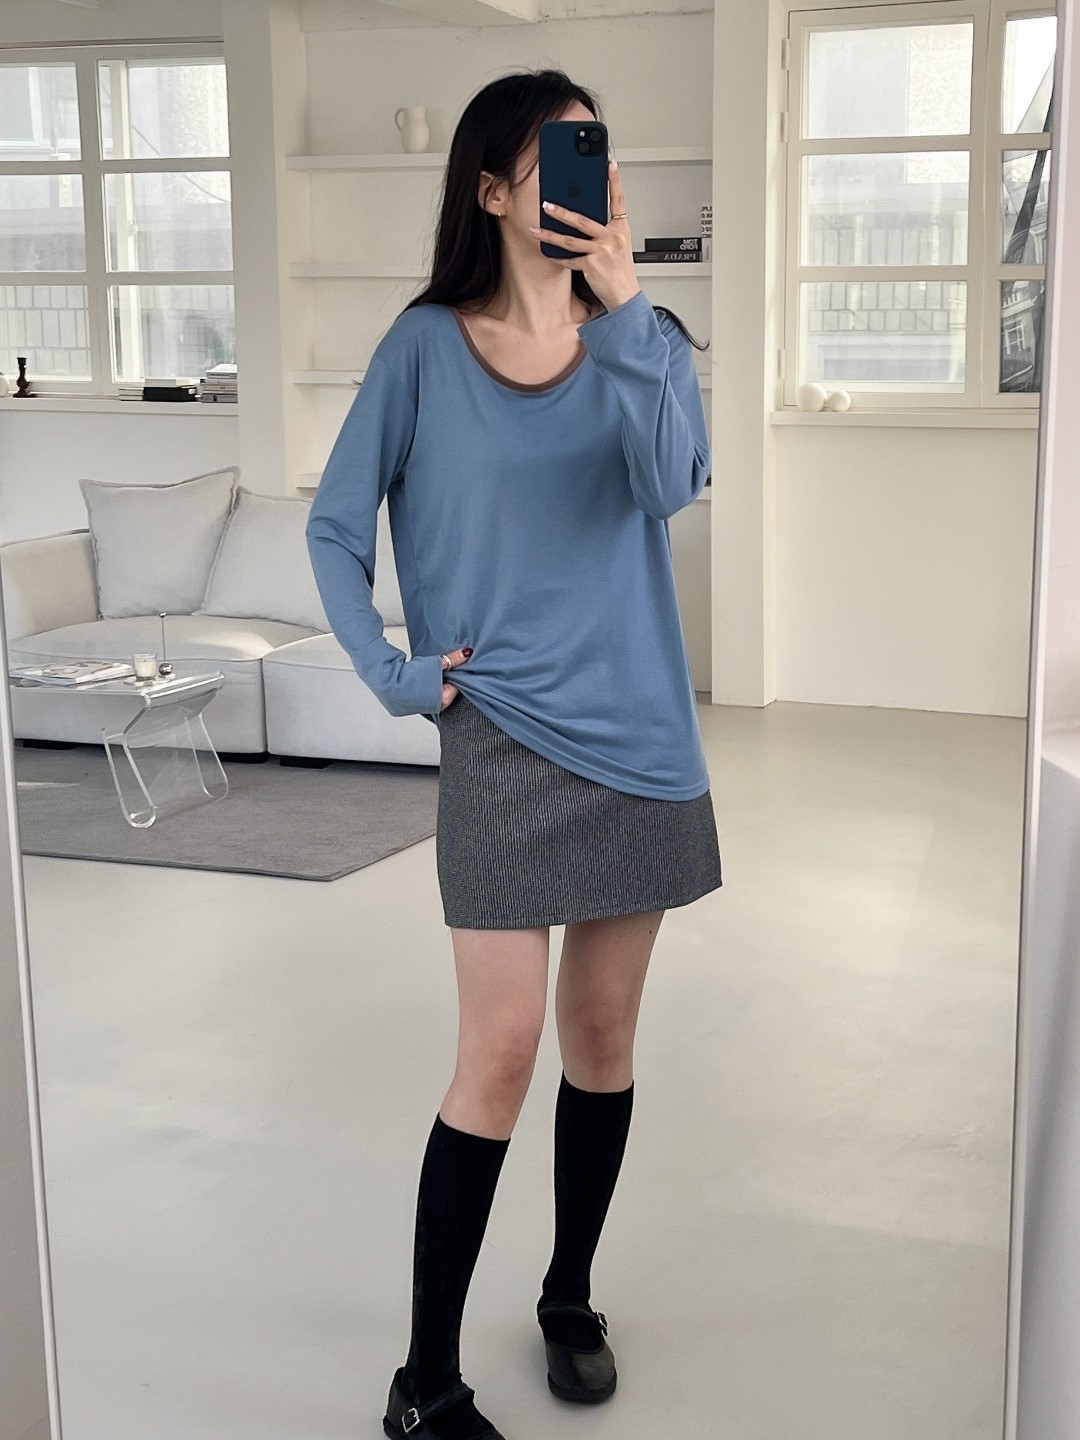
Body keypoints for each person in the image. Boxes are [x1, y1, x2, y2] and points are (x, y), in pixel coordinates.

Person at [305, 67, 722, 1440]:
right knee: (500, 1050)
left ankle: (567, 1295)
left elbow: (671, 485)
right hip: (498, 734)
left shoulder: (644, 340)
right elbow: (334, 525)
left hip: (640, 736)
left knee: (602, 1037)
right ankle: (424, 1383)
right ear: (491, 190)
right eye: (559, 158)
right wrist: (393, 675)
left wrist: (627, 308)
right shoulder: (424, 349)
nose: (592, 176)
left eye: (600, 152)